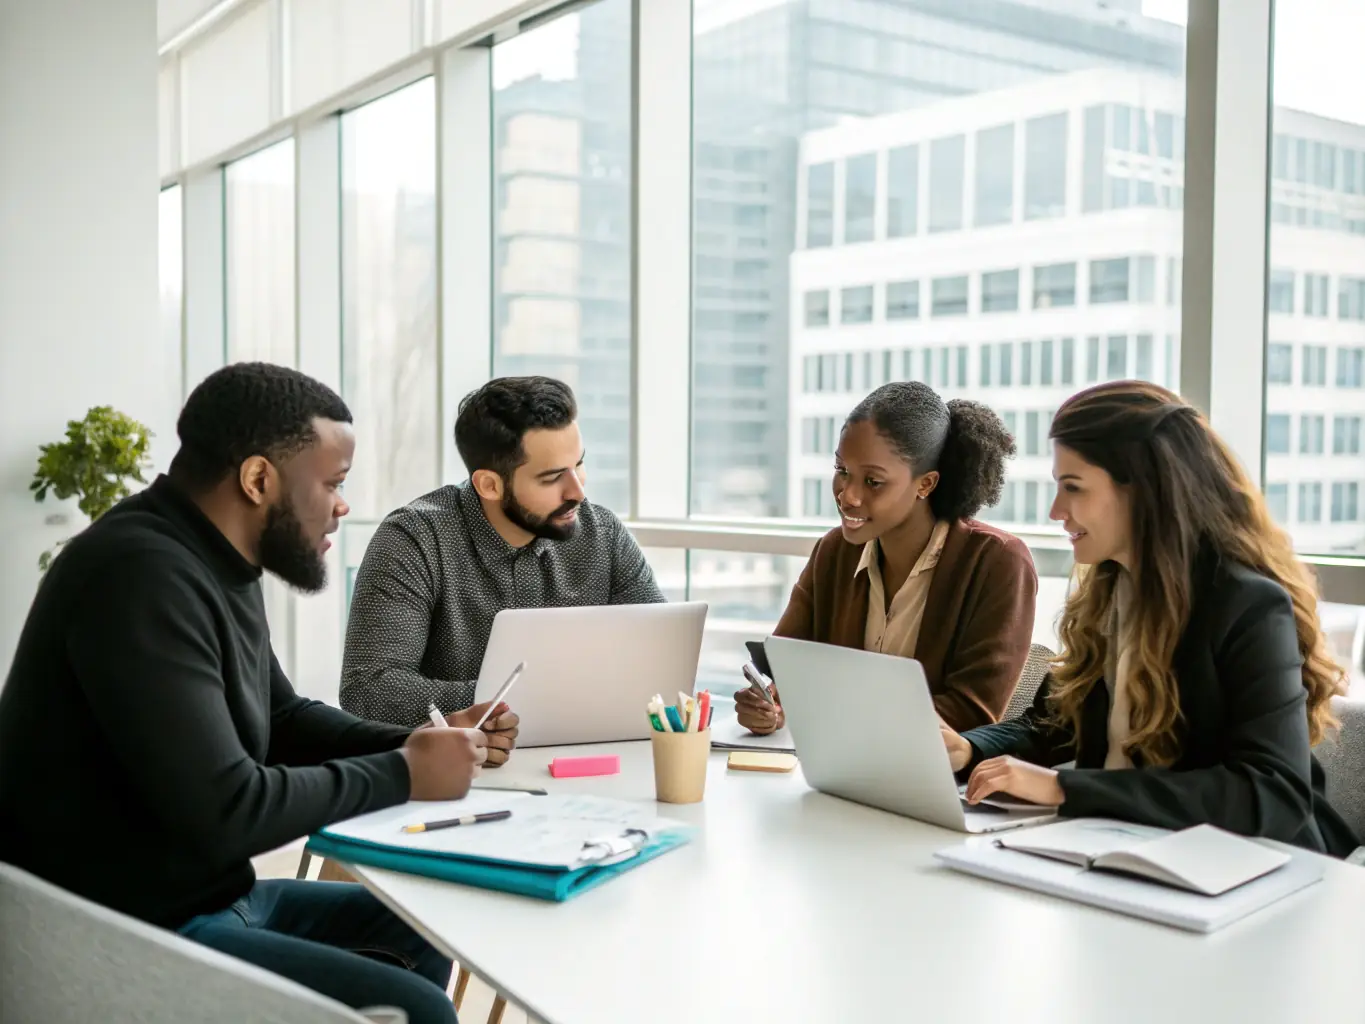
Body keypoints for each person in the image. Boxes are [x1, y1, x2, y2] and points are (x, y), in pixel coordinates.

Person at [0, 363, 521, 1022]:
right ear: (256, 479)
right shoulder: (137, 576)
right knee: (417, 1009)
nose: (342, 505)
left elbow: (279, 718)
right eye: (332, 483)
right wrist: (405, 772)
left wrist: (424, 744)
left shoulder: (213, 559)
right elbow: (228, 810)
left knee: (422, 932)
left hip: (205, 899)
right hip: (112, 929)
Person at [941, 380, 1358, 856]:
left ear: (1145, 491)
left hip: (1252, 870)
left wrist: (1065, 789)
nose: (1056, 511)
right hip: (1128, 851)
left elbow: (1271, 795)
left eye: (1072, 487)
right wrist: (970, 749)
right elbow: (1054, 725)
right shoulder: (1107, 589)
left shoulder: (1247, 606)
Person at [340, 375, 664, 729]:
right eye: (552, 477)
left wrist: (546, 697)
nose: (578, 493)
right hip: (463, 772)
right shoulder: (412, 541)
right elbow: (368, 690)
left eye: (579, 465)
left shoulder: (604, 534)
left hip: (593, 758)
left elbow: (659, 657)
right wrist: (522, 698)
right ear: (490, 485)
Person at [737, 381, 1037, 735]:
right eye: (842, 471)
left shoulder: (997, 563)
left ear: (925, 484)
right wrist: (769, 703)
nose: (847, 496)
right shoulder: (834, 552)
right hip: (832, 764)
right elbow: (787, 667)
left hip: (934, 777)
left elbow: (972, 710)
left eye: (873, 481)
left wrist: (832, 707)